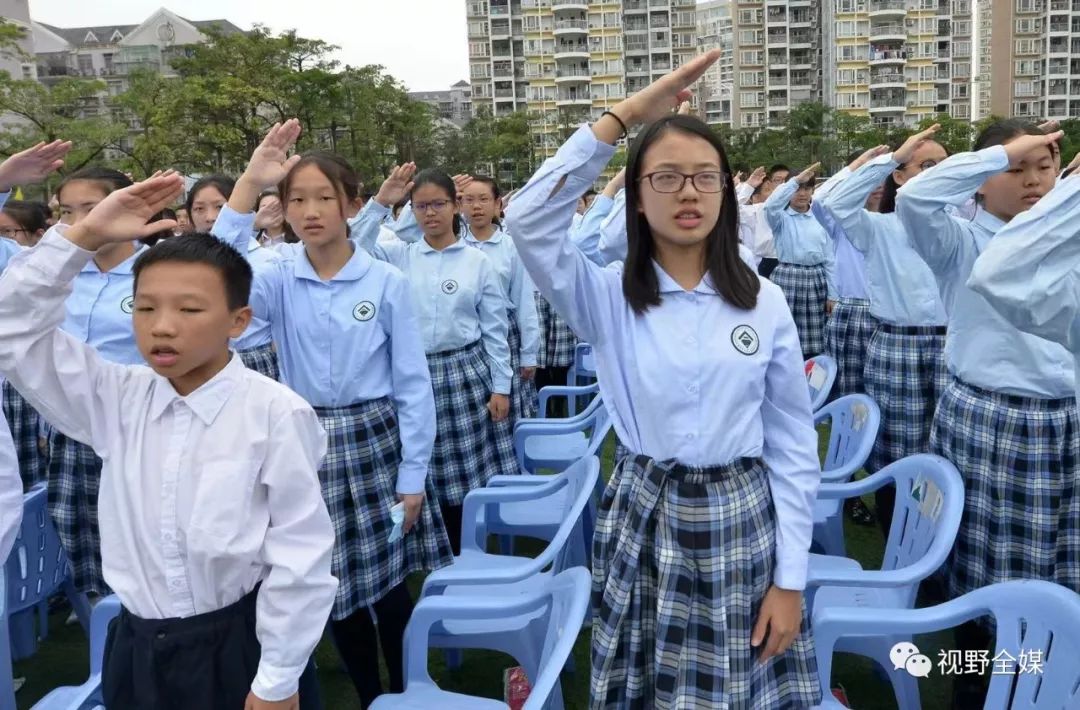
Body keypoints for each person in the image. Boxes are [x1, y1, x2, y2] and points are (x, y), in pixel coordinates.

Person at [506, 51, 821, 708]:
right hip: (646, 515)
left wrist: (790, 580)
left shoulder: (762, 301)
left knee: (736, 685)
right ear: (638, 196)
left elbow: (792, 444)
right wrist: (622, 119)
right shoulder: (606, 296)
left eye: (705, 178)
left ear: (726, 193)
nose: (687, 193)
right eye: (667, 177)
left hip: (742, 517)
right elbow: (528, 220)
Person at [0, 172, 336, 710]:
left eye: (190, 309)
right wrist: (82, 237)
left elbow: (300, 554)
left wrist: (275, 680)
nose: (162, 327)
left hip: (239, 647)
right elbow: (10, 325)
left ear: (237, 319)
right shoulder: (116, 398)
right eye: (146, 308)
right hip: (139, 647)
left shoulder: (274, 413)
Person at [211, 122, 452, 708]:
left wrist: (413, 475)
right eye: (297, 199)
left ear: (351, 204)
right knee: (331, 579)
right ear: (284, 208)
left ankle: (404, 687)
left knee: (391, 582)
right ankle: (370, 694)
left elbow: (412, 384)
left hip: (375, 436)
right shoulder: (275, 275)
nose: (311, 211)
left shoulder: (385, 280)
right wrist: (249, 182)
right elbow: (216, 266)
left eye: (324, 198)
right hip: (305, 437)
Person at [896, 121, 1075, 706]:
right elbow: (916, 197)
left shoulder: (1065, 238)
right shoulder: (962, 242)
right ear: (980, 182)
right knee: (985, 585)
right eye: (1015, 169)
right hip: (994, 425)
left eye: (1042, 167)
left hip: (1066, 424)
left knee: (1061, 581)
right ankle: (977, 690)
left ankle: (1052, 683)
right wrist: (998, 150)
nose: (1030, 180)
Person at [353, 166, 516, 557]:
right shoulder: (400, 256)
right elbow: (355, 242)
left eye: (438, 204)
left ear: (455, 206)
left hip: (465, 373)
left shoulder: (478, 262)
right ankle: (434, 550)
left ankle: (472, 550)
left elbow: (495, 329)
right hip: (415, 375)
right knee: (426, 466)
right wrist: (381, 202)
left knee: (467, 470)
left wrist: (501, 386)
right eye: (420, 206)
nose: (430, 213)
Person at [821, 127, 950, 535]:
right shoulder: (880, 227)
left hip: (953, 345)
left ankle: (938, 537)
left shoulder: (965, 223)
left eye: (945, 167)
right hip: (898, 345)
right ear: (899, 176)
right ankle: (898, 536)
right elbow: (834, 199)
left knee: (946, 450)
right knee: (897, 450)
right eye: (925, 166)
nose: (936, 174)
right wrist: (891, 158)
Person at [460, 176, 540, 423]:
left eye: (483, 199)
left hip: (506, 336)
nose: (476, 206)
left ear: (498, 205)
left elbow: (524, 300)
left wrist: (529, 353)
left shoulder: (510, 246)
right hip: (468, 335)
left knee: (509, 408)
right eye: (468, 200)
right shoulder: (456, 246)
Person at [190, 175, 282, 380]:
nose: (210, 217)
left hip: (258, 363)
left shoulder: (270, 262)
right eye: (199, 209)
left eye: (219, 207)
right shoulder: (181, 262)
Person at [764, 162, 837, 359]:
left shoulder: (820, 218)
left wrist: (833, 294)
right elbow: (770, 205)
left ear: (813, 190)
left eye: (807, 188)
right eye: (797, 189)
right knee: (785, 333)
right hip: (788, 276)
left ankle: (814, 376)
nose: (802, 193)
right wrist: (794, 181)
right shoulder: (780, 217)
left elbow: (830, 258)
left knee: (816, 336)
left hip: (816, 278)